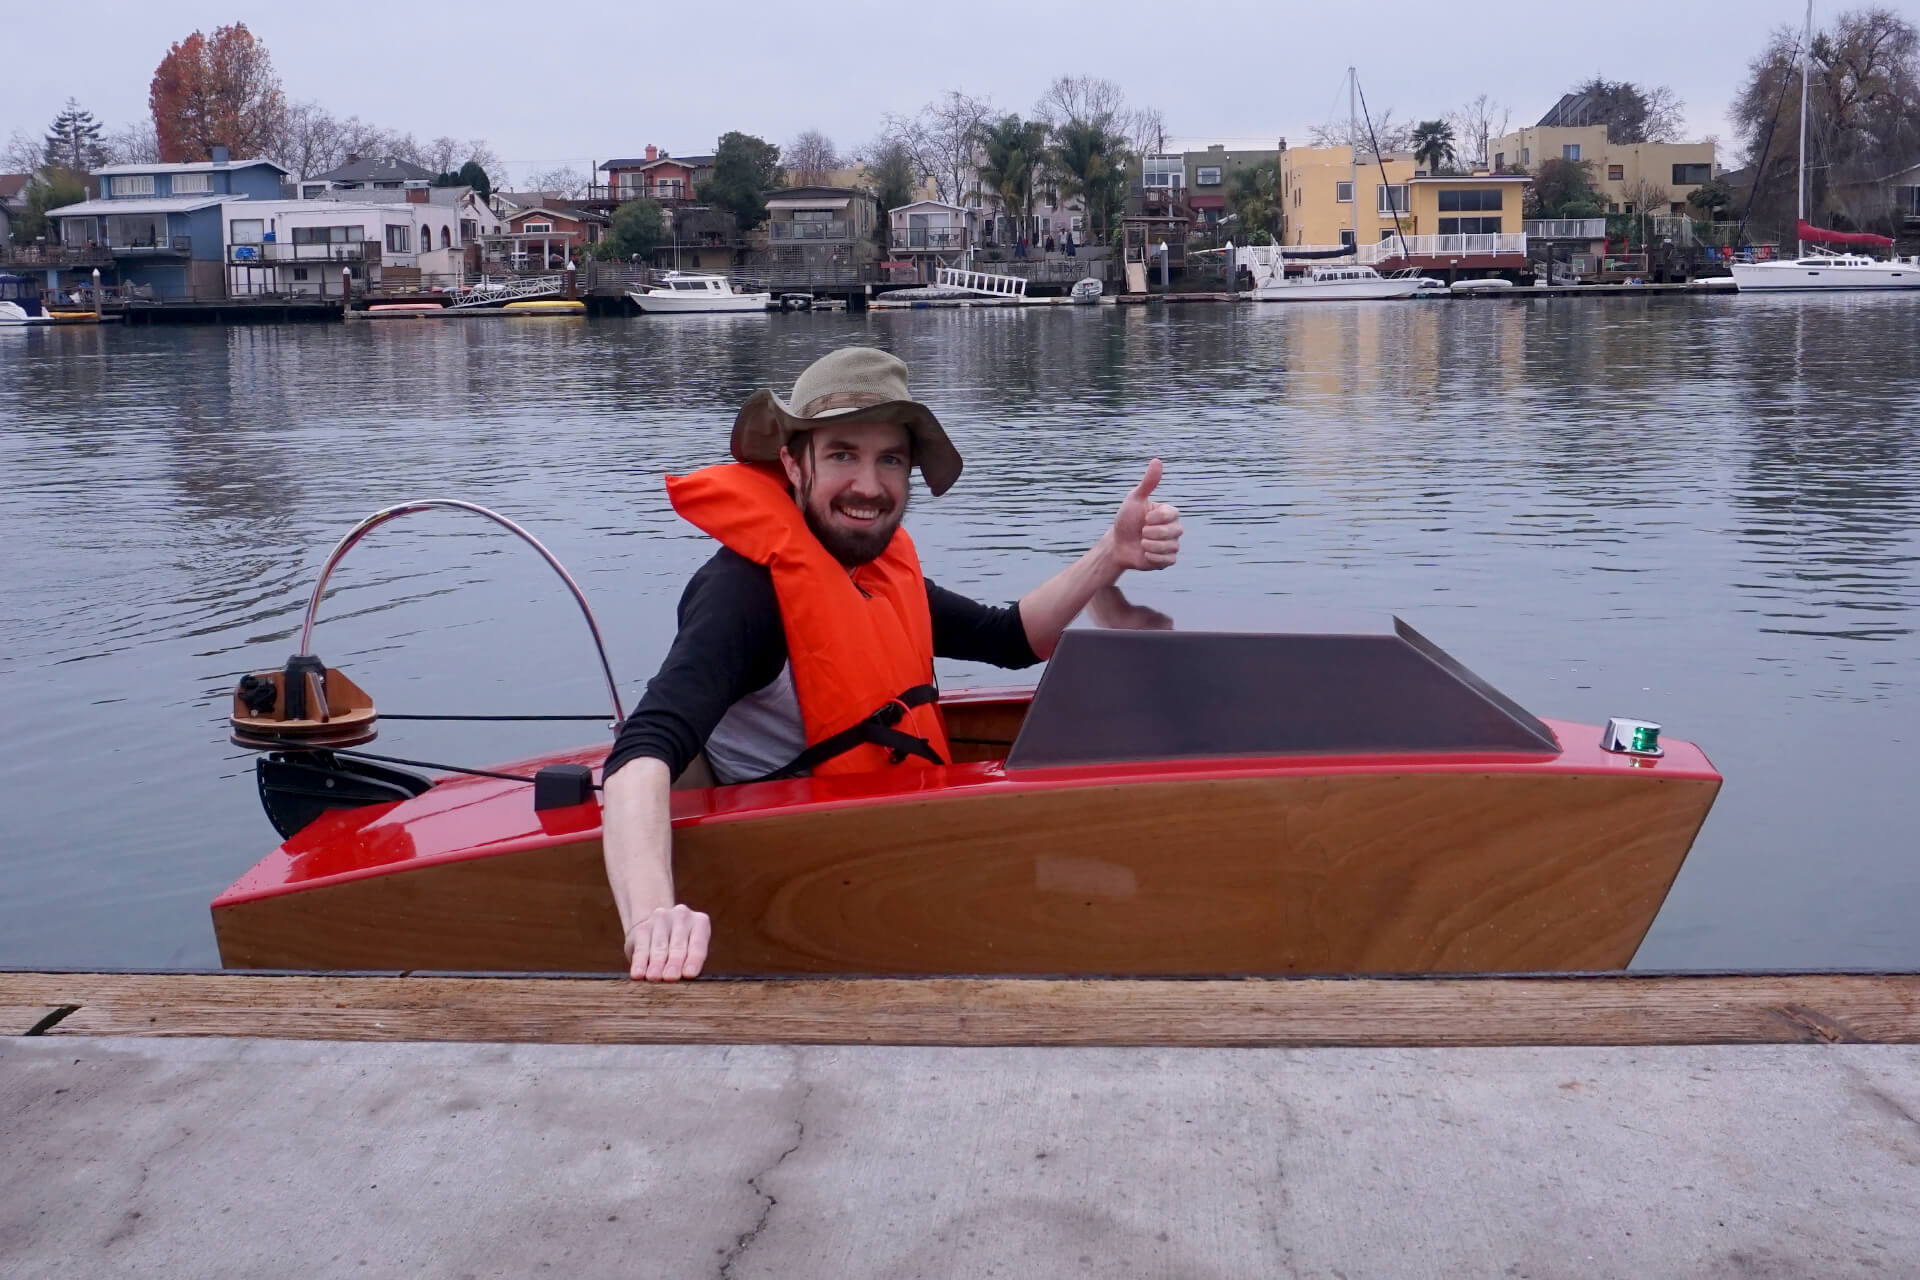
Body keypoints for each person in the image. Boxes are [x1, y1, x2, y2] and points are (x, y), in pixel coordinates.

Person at [601, 345, 1183, 981]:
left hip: (899, 847)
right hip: (802, 880)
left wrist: (1111, 554)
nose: (869, 486)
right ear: (794, 464)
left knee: (1131, 866)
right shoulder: (747, 594)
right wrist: (652, 917)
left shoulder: (872, 572)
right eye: (843, 454)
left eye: (890, 460)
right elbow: (642, 751)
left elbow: (1010, 638)